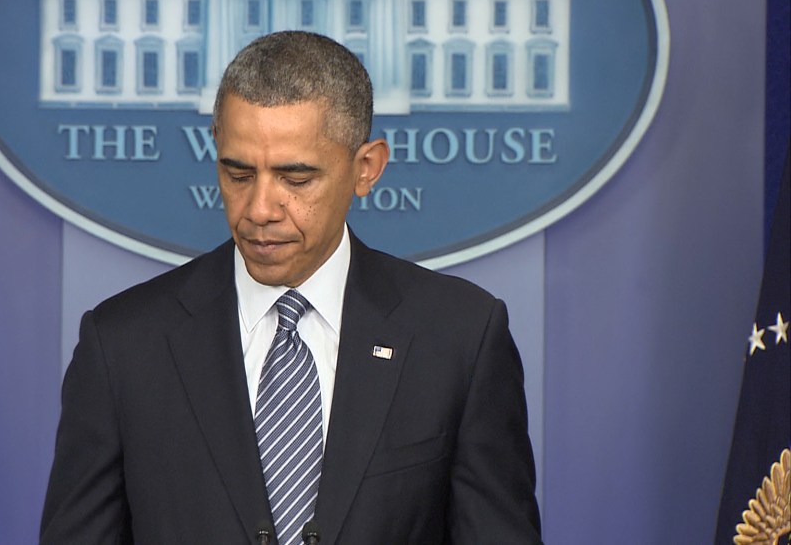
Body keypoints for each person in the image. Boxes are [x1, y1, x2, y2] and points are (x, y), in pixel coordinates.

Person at [40, 31, 542, 544]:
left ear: (366, 169)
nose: (260, 209)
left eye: (295, 179)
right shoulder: (122, 345)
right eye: (238, 174)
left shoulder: (460, 337)